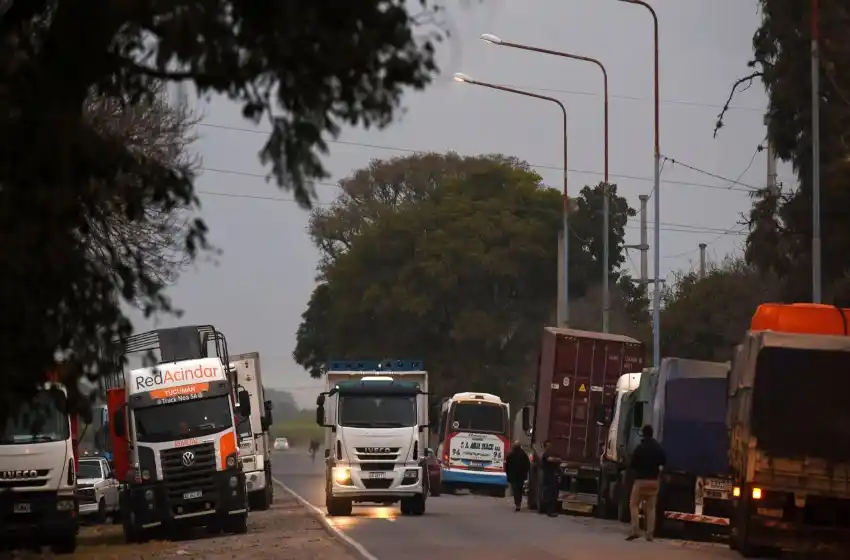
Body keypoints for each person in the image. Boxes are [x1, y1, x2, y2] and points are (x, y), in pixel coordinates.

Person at [626, 424, 667, 542]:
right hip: (653, 482)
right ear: (652, 434)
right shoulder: (658, 448)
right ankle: (649, 534)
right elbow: (663, 460)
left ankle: (635, 530)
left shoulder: (639, 448)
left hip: (640, 481)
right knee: (651, 508)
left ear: (643, 434)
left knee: (634, 505)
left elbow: (632, 464)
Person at [505, 441, 531, 512]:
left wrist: (508, 474)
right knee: (519, 490)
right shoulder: (523, 455)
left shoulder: (511, 455)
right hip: (520, 476)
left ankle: (517, 504)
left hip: (514, 476)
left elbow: (506, 466)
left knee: (516, 490)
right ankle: (518, 503)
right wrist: (525, 473)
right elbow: (528, 465)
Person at [538, 440, 561, 518]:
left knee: (551, 494)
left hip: (551, 477)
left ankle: (549, 510)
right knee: (550, 494)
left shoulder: (548, 454)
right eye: (548, 446)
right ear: (545, 447)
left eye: (550, 446)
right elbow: (550, 459)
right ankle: (549, 511)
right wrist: (558, 460)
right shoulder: (545, 454)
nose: (550, 447)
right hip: (548, 477)